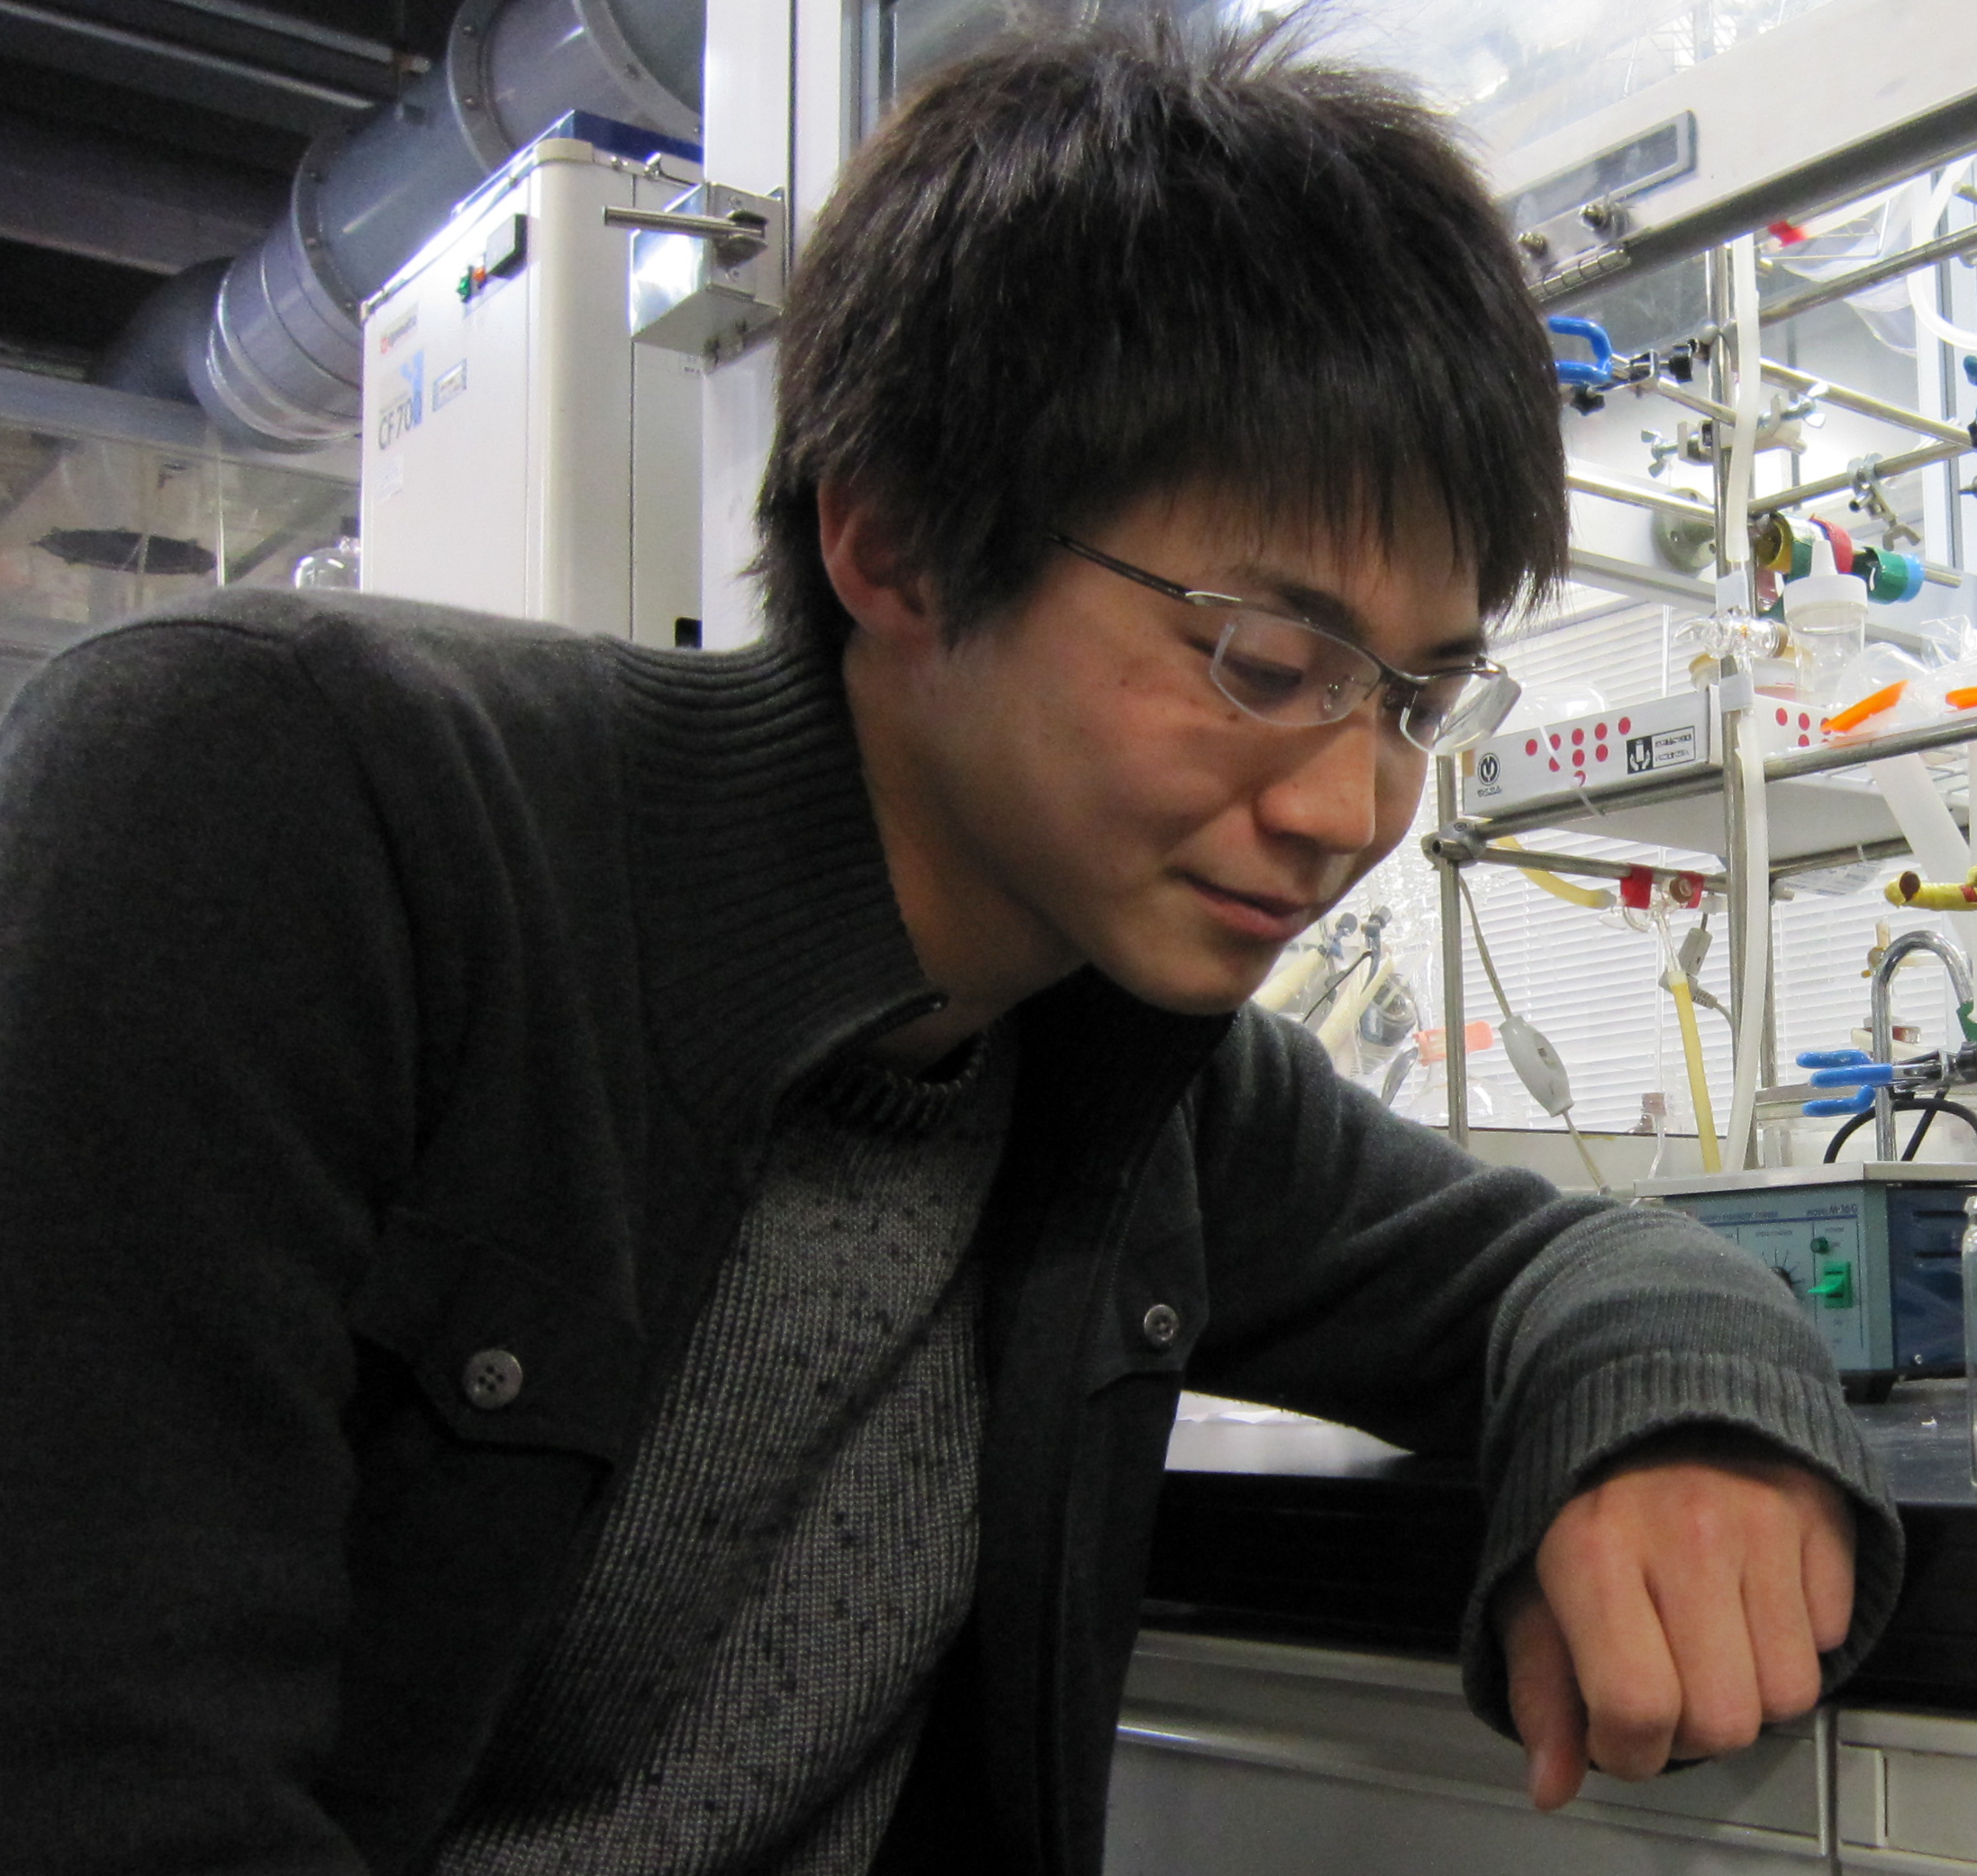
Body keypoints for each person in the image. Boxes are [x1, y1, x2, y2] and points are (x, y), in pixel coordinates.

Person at [0, 14, 1897, 1876]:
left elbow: (1582, 1261)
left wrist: (1690, 1421)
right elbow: (114, 1793)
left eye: (1416, 698)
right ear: (895, 542)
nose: (1350, 806)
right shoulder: (281, 808)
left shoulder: (1125, 1073)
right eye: (1264, 660)